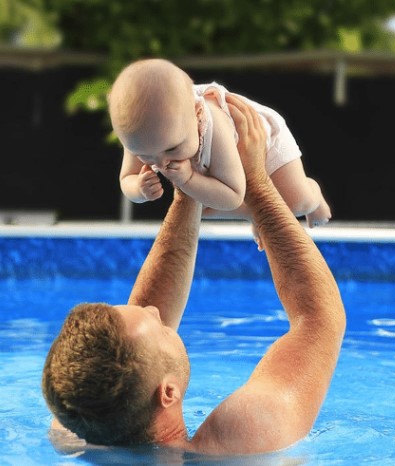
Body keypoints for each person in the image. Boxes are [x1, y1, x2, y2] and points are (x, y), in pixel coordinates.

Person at [42, 94, 346, 455]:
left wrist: (189, 188)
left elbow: (131, 354)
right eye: (154, 325)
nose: (155, 311)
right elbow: (319, 321)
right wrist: (259, 185)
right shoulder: (241, 443)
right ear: (167, 393)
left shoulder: (76, 423)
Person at [109, 58, 332, 230]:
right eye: (144, 155)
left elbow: (234, 194)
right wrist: (138, 189)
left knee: (295, 203)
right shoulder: (142, 132)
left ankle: (314, 193)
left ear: (196, 114)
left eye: (171, 149)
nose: (161, 162)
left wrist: (188, 179)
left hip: (262, 140)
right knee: (201, 208)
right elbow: (126, 179)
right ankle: (257, 214)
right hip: (223, 170)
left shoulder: (213, 126)